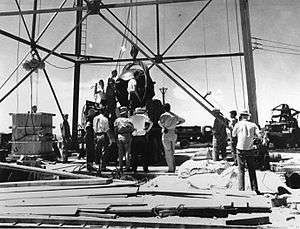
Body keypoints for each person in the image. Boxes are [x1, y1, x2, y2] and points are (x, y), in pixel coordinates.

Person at [232, 110, 261, 193]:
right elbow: (259, 135)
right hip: (250, 149)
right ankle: (254, 188)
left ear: (241, 116)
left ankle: (241, 189)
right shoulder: (253, 125)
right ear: (248, 116)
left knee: (241, 170)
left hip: (240, 149)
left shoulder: (238, 124)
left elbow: (233, 135)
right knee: (252, 169)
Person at [158, 103, 185, 173]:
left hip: (166, 133)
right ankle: (173, 167)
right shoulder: (174, 115)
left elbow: (160, 123)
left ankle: (171, 168)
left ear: (164, 108)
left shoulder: (163, 115)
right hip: (173, 133)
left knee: (167, 151)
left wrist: (164, 126)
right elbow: (183, 120)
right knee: (172, 152)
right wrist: (176, 124)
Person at [130, 107, 153, 173]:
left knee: (134, 154)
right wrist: (147, 130)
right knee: (144, 154)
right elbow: (151, 123)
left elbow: (128, 124)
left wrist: (132, 130)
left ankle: (134, 169)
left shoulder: (132, 117)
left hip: (135, 136)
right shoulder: (144, 117)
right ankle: (145, 169)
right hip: (142, 136)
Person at [114, 106, 135, 173]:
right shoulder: (129, 120)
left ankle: (120, 167)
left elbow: (115, 129)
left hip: (119, 136)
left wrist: (116, 137)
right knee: (127, 152)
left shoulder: (117, 120)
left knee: (120, 152)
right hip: (127, 136)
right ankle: (127, 167)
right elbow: (132, 129)